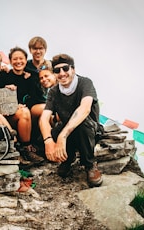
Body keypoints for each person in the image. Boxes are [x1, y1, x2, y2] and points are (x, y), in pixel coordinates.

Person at [39, 54, 103, 187]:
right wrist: (48, 140)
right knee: (55, 129)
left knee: (81, 124)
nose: (62, 73)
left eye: (65, 68)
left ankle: (90, 164)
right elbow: (44, 118)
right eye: (57, 70)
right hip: (68, 131)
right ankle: (67, 158)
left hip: (88, 130)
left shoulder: (85, 83)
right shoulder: (54, 91)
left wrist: (63, 136)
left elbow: (84, 109)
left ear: (73, 69)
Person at [0, 46, 44, 166]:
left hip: (27, 113)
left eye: (21, 58)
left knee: (32, 110)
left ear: (26, 60)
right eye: (15, 59)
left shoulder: (31, 77)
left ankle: (38, 146)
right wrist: (5, 90)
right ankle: (25, 148)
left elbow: (36, 98)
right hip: (8, 115)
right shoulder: (2, 76)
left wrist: (23, 104)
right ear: (10, 61)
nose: (18, 61)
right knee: (24, 112)